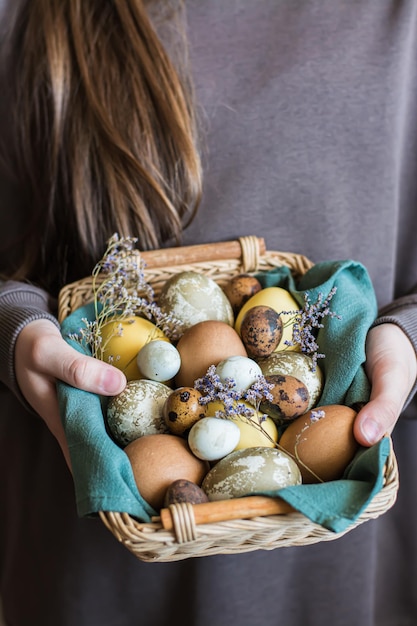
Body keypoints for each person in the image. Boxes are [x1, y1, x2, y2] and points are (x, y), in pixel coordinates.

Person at [0, 1, 416, 625]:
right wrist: (12, 329)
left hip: (334, 574)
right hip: (101, 572)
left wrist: (408, 335)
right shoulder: (27, 16)